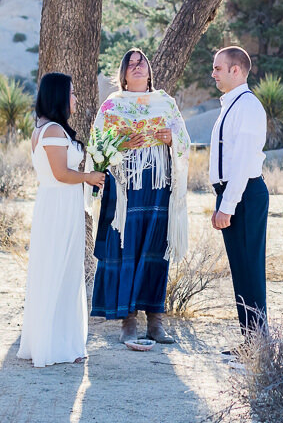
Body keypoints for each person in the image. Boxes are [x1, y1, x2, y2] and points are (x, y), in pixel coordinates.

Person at [90, 49, 192, 351]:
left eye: (141, 63)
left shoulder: (165, 103)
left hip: (159, 184)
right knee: (127, 248)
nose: (136, 67)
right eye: (130, 65)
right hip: (125, 188)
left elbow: (184, 141)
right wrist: (123, 142)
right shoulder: (111, 106)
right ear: (122, 74)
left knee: (155, 249)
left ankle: (156, 320)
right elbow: (98, 147)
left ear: (149, 71)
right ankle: (128, 321)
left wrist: (169, 138)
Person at [17, 72, 105, 368]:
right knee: (60, 269)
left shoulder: (47, 128)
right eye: (71, 93)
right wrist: (89, 177)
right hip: (58, 204)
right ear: (58, 96)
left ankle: (58, 341)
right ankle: (56, 346)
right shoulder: (53, 131)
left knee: (61, 269)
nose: (76, 99)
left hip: (59, 203)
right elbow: (60, 174)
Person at [207, 45, 268, 345]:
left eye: (218, 68)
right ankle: (251, 342)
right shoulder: (231, 105)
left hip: (245, 194)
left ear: (236, 69)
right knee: (240, 269)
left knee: (250, 268)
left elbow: (243, 161)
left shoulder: (247, 106)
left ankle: (257, 343)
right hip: (233, 192)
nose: (213, 73)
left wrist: (227, 205)